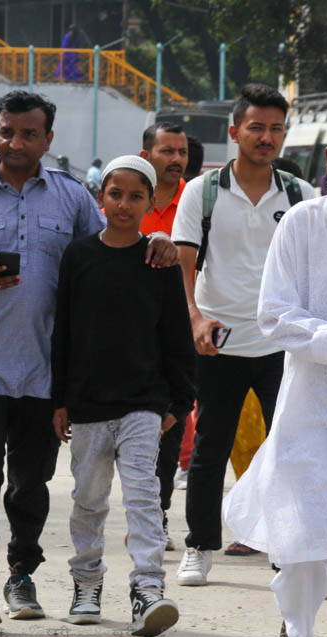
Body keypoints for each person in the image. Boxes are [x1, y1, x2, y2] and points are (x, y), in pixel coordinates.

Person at [0, 90, 179, 626]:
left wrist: (158, 241)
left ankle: (21, 574)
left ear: (48, 139)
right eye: (7, 132)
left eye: (29, 134)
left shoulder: (71, 198)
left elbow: (112, 246)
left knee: (30, 482)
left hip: (46, 370)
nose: (16, 143)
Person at [170, 83, 318, 585]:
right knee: (211, 446)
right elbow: (185, 263)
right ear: (234, 132)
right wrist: (194, 316)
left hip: (286, 344)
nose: (266, 137)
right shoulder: (202, 192)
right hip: (221, 340)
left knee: (290, 448)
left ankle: (288, 547)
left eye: (276, 128)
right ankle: (200, 545)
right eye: (256, 127)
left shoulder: (301, 195)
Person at [52, 156, 194, 637]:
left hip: (143, 404)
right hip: (88, 404)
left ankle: (148, 589)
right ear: (101, 197)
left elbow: (176, 337)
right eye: (116, 194)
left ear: (151, 202)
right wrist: (59, 400)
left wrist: (178, 404)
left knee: (143, 497)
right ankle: (86, 582)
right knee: (88, 500)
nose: (125, 204)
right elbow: (63, 333)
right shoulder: (78, 257)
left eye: (137, 196)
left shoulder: (159, 260)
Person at [221, 191, 327, 637]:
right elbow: (275, 313)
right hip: (312, 405)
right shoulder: (305, 223)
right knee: (304, 524)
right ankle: (298, 628)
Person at [138, 121, 189, 551]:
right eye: (166, 151)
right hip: (131, 337)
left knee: (172, 428)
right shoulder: (124, 200)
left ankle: (158, 516)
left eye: (182, 152)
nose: (175, 159)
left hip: (179, 337)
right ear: (146, 157)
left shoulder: (197, 200)